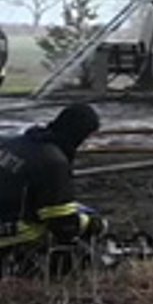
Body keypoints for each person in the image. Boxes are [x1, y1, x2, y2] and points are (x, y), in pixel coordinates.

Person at [0, 103, 107, 278]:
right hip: (11, 231)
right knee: (72, 248)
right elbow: (62, 224)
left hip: (8, 207)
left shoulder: (17, 142)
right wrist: (91, 223)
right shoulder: (53, 162)